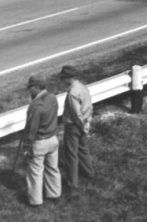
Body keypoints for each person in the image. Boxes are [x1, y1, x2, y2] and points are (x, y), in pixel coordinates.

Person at [21, 75, 61, 207]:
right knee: (52, 168)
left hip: (39, 142)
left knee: (35, 172)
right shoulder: (53, 97)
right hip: (53, 138)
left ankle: (36, 202)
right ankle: (54, 195)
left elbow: (31, 129)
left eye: (30, 88)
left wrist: (26, 146)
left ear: (37, 87)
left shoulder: (35, 106)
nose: (29, 91)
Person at [59, 66, 95, 197]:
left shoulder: (72, 93)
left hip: (74, 125)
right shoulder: (83, 87)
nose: (62, 81)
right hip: (84, 122)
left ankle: (72, 183)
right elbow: (89, 106)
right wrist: (87, 123)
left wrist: (81, 125)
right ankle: (89, 173)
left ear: (69, 78)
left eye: (63, 78)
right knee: (83, 149)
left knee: (71, 154)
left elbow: (76, 113)